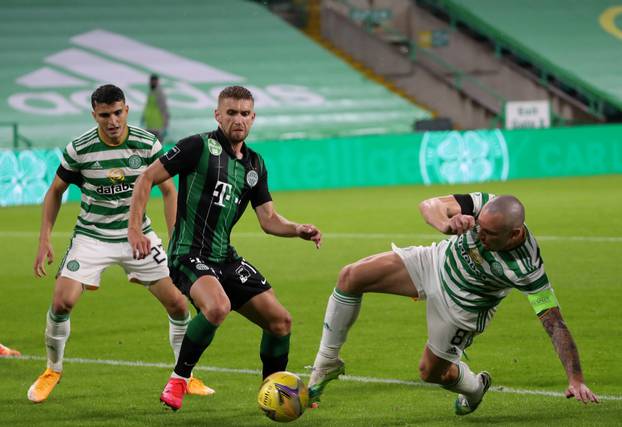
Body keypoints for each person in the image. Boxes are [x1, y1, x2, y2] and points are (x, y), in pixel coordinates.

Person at [308, 192, 600, 414]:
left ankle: (475, 389)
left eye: (489, 234)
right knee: (351, 276)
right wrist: (446, 223)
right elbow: (429, 204)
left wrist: (576, 379)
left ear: (513, 234)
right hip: (435, 262)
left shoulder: (528, 267)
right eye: (480, 228)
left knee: (431, 373)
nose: (480, 236)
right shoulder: (486, 204)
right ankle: (327, 362)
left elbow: (554, 322)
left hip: (463, 307)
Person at [128, 85, 322, 411]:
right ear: (218, 115)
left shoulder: (255, 165)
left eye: (245, 113)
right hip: (188, 254)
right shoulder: (197, 147)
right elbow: (146, 178)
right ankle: (179, 379)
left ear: (253, 118)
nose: (238, 120)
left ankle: (274, 392)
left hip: (224, 257)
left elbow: (269, 219)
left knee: (280, 322)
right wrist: (135, 228)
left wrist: (298, 229)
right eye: (231, 113)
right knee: (218, 307)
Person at [29, 84, 212, 403]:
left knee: (179, 304)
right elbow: (55, 191)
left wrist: (175, 238)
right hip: (92, 236)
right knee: (61, 302)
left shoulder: (146, 143)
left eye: (117, 113)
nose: (112, 121)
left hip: (137, 237)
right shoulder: (79, 149)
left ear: (126, 110)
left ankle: (186, 376)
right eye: (104, 115)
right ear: (94, 115)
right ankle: (52, 370)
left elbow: (169, 190)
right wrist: (45, 238)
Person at [141, 74, 170, 142]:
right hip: (150, 125)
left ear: (157, 82)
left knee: (158, 146)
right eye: (152, 81)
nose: (152, 83)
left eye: (154, 81)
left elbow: (164, 109)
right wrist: (143, 118)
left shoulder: (159, 93)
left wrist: (166, 125)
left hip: (158, 126)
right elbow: (148, 107)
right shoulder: (151, 92)